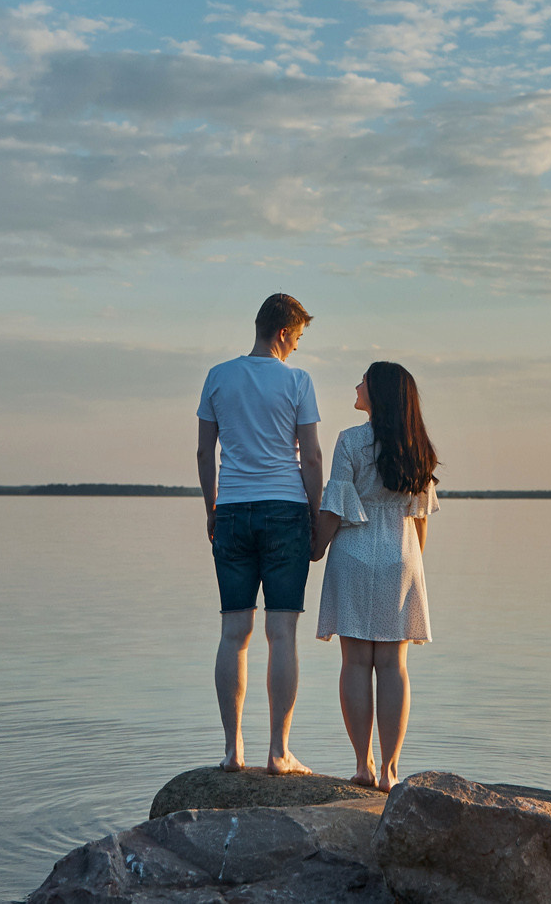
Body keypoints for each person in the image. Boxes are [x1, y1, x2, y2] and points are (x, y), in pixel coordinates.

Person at [196, 291, 324, 776]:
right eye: (298, 339)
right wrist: (316, 516)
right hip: (285, 509)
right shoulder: (297, 381)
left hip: (231, 508)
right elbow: (310, 457)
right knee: (282, 632)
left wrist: (210, 506)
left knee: (234, 632)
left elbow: (205, 454)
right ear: (283, 334)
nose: (297, 349)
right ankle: (278, 751)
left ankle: (233, 751)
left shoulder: (217, 377)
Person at [311, 360, 438, 790]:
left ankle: (363, 765)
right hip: (401, 555)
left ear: (378, 392)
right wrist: (410, 562)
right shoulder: (417, 446)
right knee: (393, 666)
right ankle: (390, 770)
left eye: (363, 380)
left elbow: (336, 507)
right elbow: (420, 517)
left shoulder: (349, 442)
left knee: (355, 662)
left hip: (354, 553)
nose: (356, 385)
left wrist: (316, 547)